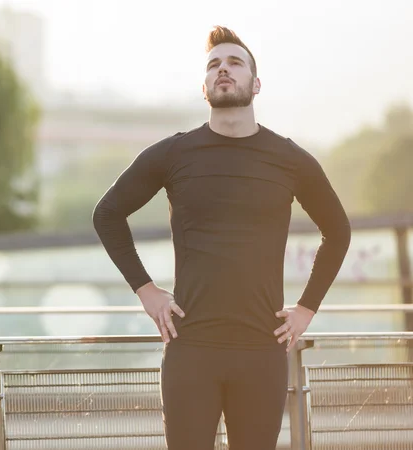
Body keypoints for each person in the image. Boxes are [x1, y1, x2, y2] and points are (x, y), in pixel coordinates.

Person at [92, 25, 351, 450]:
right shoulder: (175, 153)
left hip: (261, 351)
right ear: (205, 86)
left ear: (256, 82)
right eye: (214, 65)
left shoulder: (289, 159)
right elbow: (107, 213)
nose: (223, 70)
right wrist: (146, 290)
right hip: (190, 348)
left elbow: (338, 231)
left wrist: (306, 309)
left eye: (235, 63)